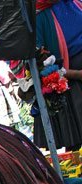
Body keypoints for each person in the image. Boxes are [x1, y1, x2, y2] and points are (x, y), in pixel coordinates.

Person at [33, 0, 82, 150]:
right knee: (75, 146)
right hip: (68, 85)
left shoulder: (74, 3)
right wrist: (72, 74)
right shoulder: (37, 16)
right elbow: (40, 63)